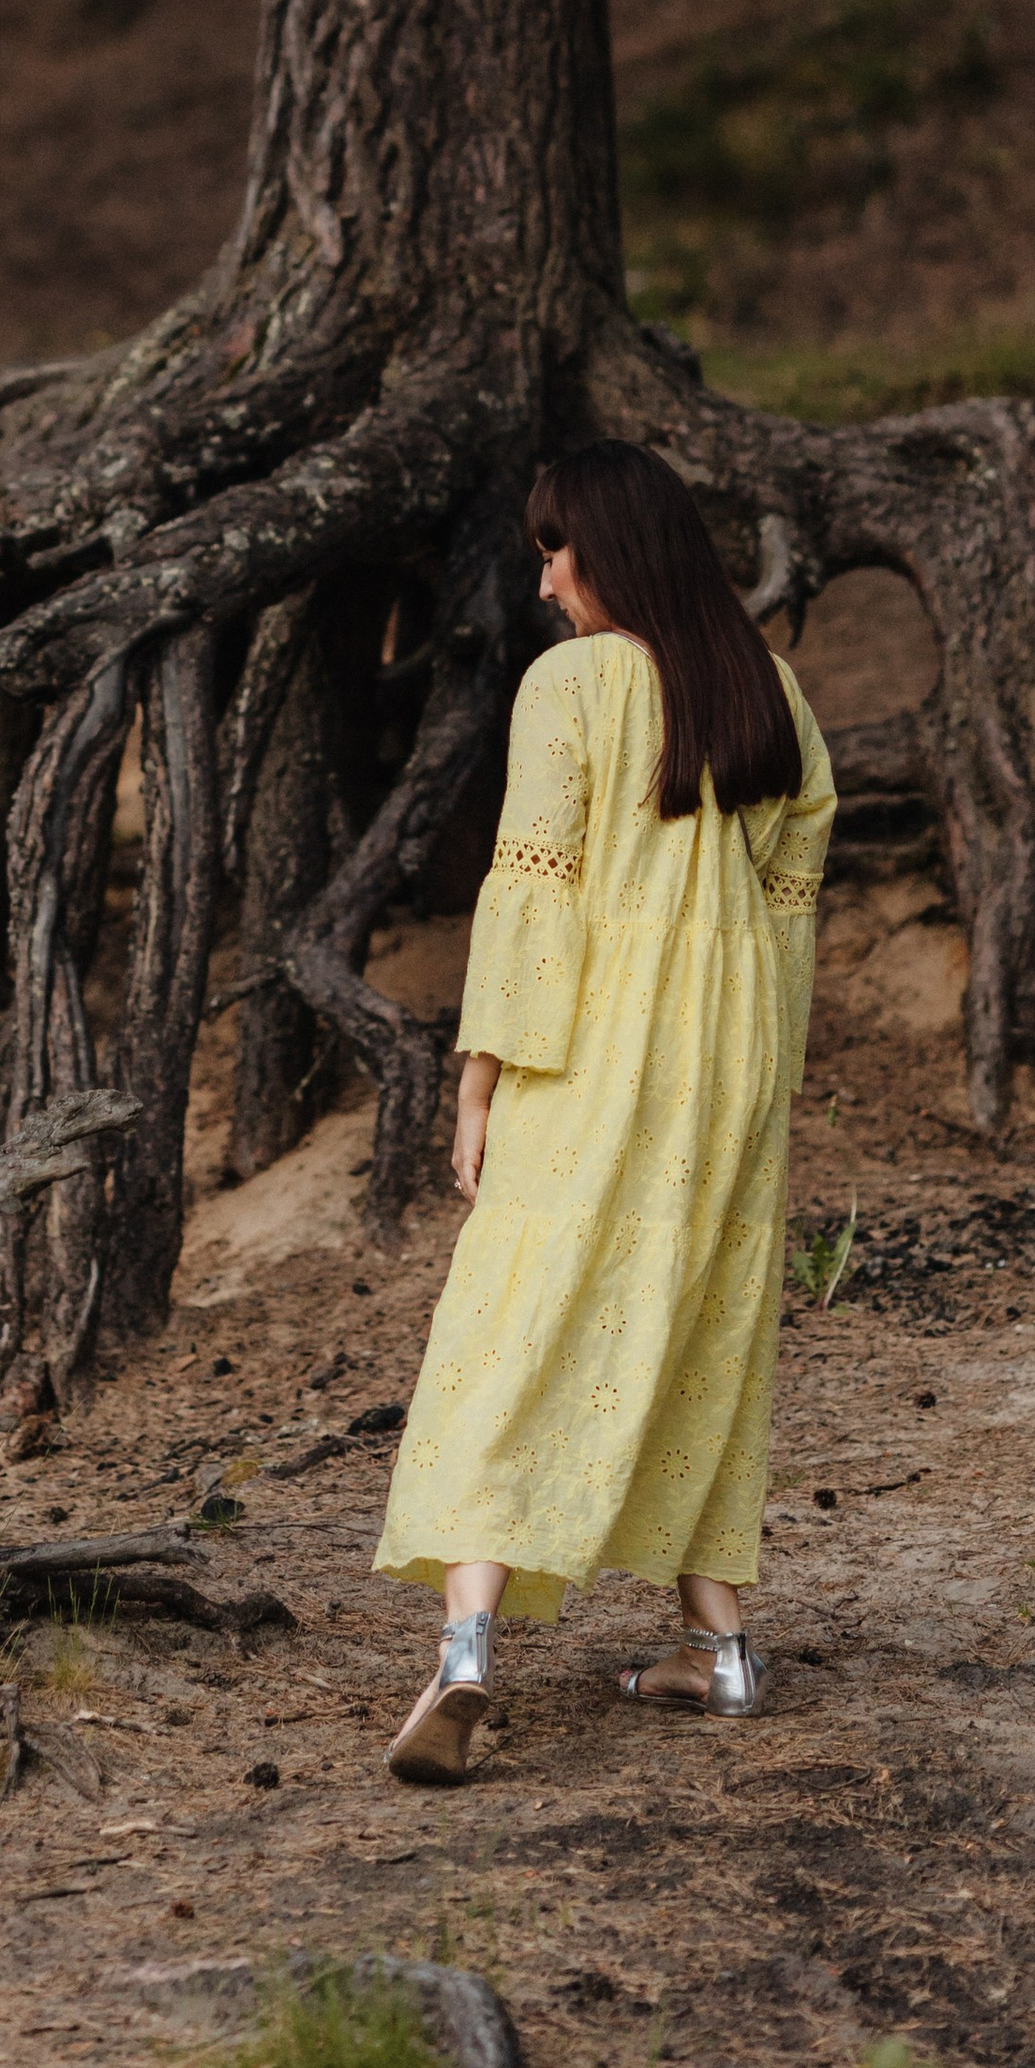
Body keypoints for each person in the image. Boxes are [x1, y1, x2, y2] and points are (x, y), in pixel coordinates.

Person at [376, 439, 836, 1783]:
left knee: (513, 1322)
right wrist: (766, 1065)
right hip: (733, 1049)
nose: (544, 584)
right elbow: (792, 888)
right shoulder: (766, 683)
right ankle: (721, 1648)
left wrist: (479, 1078)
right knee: (695, 1326)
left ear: (610, 550)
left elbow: (536, 888)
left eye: (553, 552)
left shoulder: (572, 684)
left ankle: (465, 1652)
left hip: (598, 1042)